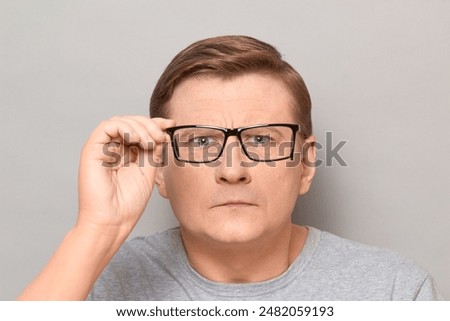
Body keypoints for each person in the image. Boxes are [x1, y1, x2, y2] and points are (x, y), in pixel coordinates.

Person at [18, 35, 441, 300]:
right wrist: (97, 230)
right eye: (202, 141)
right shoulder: (89, 284)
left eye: (261, 139)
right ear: (160, 168)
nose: (232, 170)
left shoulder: (392, 292)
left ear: (306, 164)